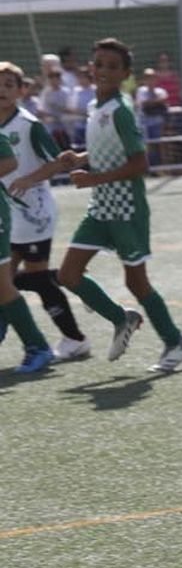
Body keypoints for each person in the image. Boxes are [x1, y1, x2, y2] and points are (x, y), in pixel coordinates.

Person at [56, 38, 182, 372]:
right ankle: (123, 318)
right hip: (100, 207)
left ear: (125, 74)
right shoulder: (95, 106)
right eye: (98, 63)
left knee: (137, 282)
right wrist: (81, 158)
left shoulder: (120, 109)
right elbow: (108, 150)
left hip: (126, 210)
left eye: (112, 66)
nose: (103, 70)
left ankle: (176, 343)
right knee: (68, 274)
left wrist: (94, 178)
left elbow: (139, 163)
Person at [0, 64, 71, 373]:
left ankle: (64, 338)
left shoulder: (28, 124)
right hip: (11, 210)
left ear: (21, 90)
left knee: (24, 280)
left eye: (8, 84)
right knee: (8, 281)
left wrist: (29, 179)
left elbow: (56, 162)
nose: (2, 90)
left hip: (33, 212)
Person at [134, 68, 169, 166]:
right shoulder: (141, 90)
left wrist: (151, 103)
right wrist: (156, 102)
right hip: (144, 122)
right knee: (146, 145)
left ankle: (161, 167)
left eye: (152, 78)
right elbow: (143, 104)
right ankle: (148, 167)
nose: (150, 80)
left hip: (158, 122)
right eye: (147, 78)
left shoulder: (160, 91)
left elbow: (164, 100)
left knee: (159, 143)